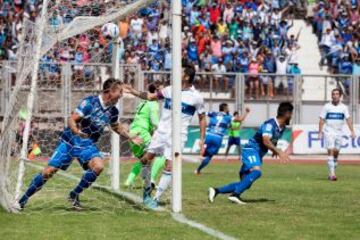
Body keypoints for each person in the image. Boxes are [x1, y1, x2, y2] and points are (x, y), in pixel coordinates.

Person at [17, 78, 142, 210]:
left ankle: (74, 194)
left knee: (98, 166)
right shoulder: (89, 103)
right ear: (109, 91)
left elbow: (116, 126)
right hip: (70, 142)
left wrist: (129, 137)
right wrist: (76, 131)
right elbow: (71, 119)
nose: (122, 95)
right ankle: (22, 200)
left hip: (87, 145)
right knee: (49, 171)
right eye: (120, 92)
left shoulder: (113, 111)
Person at [124, 65, 206, 209]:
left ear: (186, 76)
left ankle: (155, 198)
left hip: (179, 135)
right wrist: (133, 91)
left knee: (170, 165)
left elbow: (202, 118)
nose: (176, 73)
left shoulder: (196, 97)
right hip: (161, 132)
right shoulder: (169, 90)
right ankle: (147, 190)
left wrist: (202, 138)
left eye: (180, 71)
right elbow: (150, 96)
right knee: (145, 159)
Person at [208, 102, 293, 204]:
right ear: (287, 113)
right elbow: (266, 140)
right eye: (291, 114)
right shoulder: (270, 124)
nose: (291, 116)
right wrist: (279, 152)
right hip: (251, 150)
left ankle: (216, 190)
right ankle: (235, 195)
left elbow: (272, 141)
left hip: (257, 154)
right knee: (257, 172)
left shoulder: (282, 127)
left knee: (245, 183)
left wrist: (274, 150)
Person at [124, 84, 165, 188]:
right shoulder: (153, 103)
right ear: (156, 91)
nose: (164, 91)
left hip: (132, 132)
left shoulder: (143, 102)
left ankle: (128, 181)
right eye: (162, 89)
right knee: (162, 153)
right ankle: (151, 179)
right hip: (142, 132)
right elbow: (155, 122)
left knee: (143, 159)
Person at [195, 105, 250, 174]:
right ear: (225, 109)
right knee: (209, 156)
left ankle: (202, 152)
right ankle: (198, 170)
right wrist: (246, 112)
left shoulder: (213, 113)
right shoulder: (228, 117)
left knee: (206, 152)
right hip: (217, 137)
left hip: (209, 135)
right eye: (228, 108)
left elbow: (202, 113)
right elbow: (240, 120)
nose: (229, 109)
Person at [318, 88, 356, 181]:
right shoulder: (327, 106)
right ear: (331, 96)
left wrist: (352, 131)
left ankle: (333, 165)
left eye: (337, 94)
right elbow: (322, 120)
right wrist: (320, 132)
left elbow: (348, 119)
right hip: (329, 132)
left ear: (340, 96)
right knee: (330, 151)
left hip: (339, 132)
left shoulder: (344, 107)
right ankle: (332, 174)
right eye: (333, 94)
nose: (335, 96)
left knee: (336, 153)